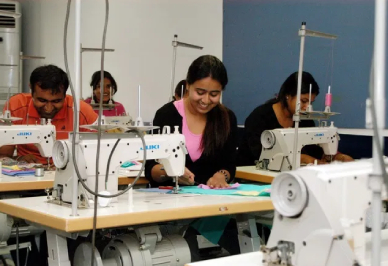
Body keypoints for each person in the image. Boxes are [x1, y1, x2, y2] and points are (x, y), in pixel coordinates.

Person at [145, 55, 238, 188]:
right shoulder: (166, 115)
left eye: (214, 94)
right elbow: (150, 168)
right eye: (200, 92)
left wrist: (221, 176)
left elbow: (229, 165)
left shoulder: (227, 119)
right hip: (168, 200)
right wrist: (170, 171)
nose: (205, 100)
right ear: (188, 85)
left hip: (212, 199)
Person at [238, 71, 353, 166]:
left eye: (311, 102)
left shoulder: (305, 119)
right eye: (303, 101)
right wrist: (302, 158)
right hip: (253, 178)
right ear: (288, 95)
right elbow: (261, 156)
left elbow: (315, 151)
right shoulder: (259, 118)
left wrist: (337, 156)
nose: (307, 107)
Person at [0, 64, 98, 164]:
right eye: (42, 100)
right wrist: (19, 159)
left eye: (56, 101)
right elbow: (3, 156)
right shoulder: (17, 106)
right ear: (31, 91)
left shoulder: (80, 110)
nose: (48, 108)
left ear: (65, 95)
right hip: (26, 171)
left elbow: (99, 152)